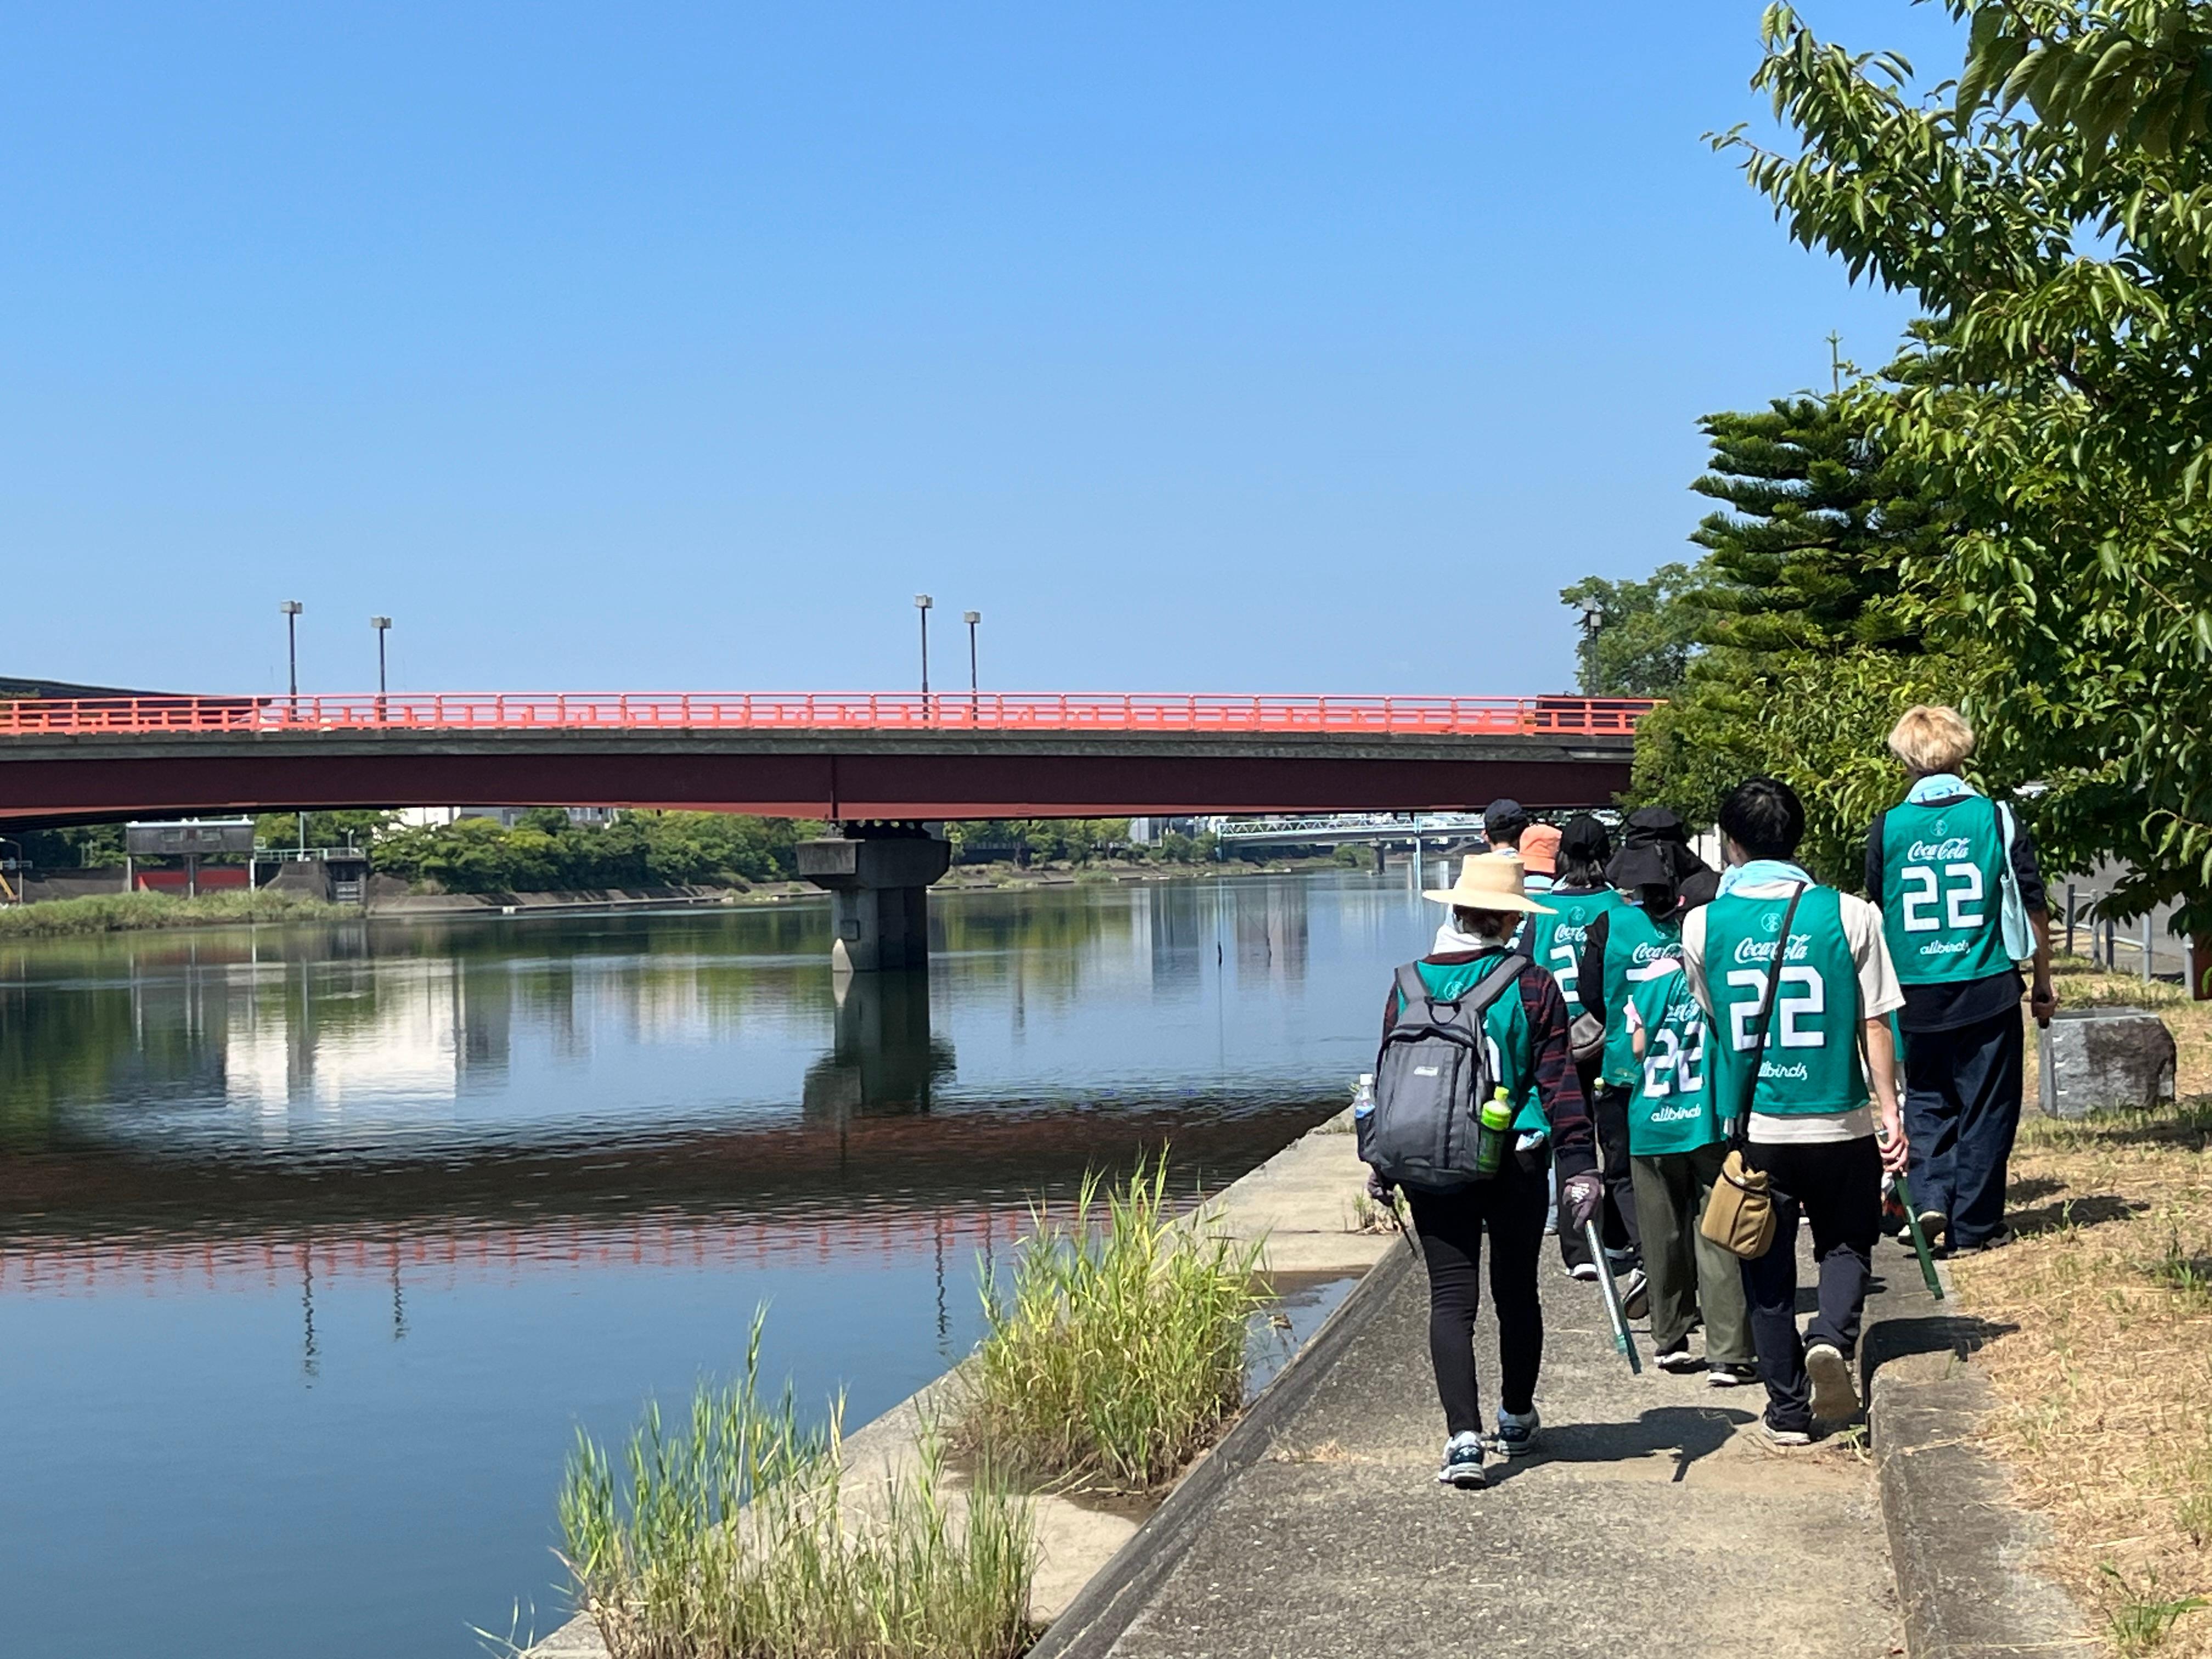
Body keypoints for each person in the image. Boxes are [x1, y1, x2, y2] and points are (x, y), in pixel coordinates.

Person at [1681, 777, 1909, 1445]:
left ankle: (1785, 1413)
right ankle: (1832, 1336)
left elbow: (1714, 1017)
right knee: (1847, 1241)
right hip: (1839, 1118)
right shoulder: (1852, 914)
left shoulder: (1701, 925)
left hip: (1757, 1126)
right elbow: (1876, 1024)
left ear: (1731, 843)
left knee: (1765, 1263)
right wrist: (1891, 1113)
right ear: (1798, 836)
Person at [1367, 852, 1602, 1490]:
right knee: (1516, 1291)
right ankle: (1517, 1417)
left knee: (1451, 1298)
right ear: (1510, 921)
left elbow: (1390, 1081)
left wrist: (1381, 1161)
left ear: (1460, 911)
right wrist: (1580, 1166)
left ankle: (1464, 1440)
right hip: (1515, 1159)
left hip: (1428, 1159)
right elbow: (1559, 1088)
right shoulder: (1533, 984)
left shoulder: (1408, 982)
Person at [1865, 706, 2056, 1256]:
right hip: (1986, 980)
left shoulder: (1887, 826)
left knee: (1927, 1097)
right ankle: (1975, 1225)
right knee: (1988, 1105)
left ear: (1906, 759)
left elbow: (1880, 898)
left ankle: (1930, 1196)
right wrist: (2043, 980)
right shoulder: (1996, 817)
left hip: (1915, 988)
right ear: (1962, 751)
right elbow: (2033, 902)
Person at [1615, 843, 1755, 1386]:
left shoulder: (1651, 978)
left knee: (1662, 1236)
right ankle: (1728, 1351)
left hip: (1652, 1120)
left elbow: (1637, 1046)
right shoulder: (1718, 976)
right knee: (1717, 1233)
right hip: (1707, 1118)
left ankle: (1670, 1338)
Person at [1524, 816, 1632, 1281]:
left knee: (1570, 1139)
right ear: (1607, 854)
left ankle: (1579, 1247)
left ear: (1562, 857)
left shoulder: (1541, 910)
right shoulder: (1619, 907)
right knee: (1617, 1140)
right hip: (1608, 1037)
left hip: (1556, 1039)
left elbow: (1526, 970)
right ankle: (1618, 1237)